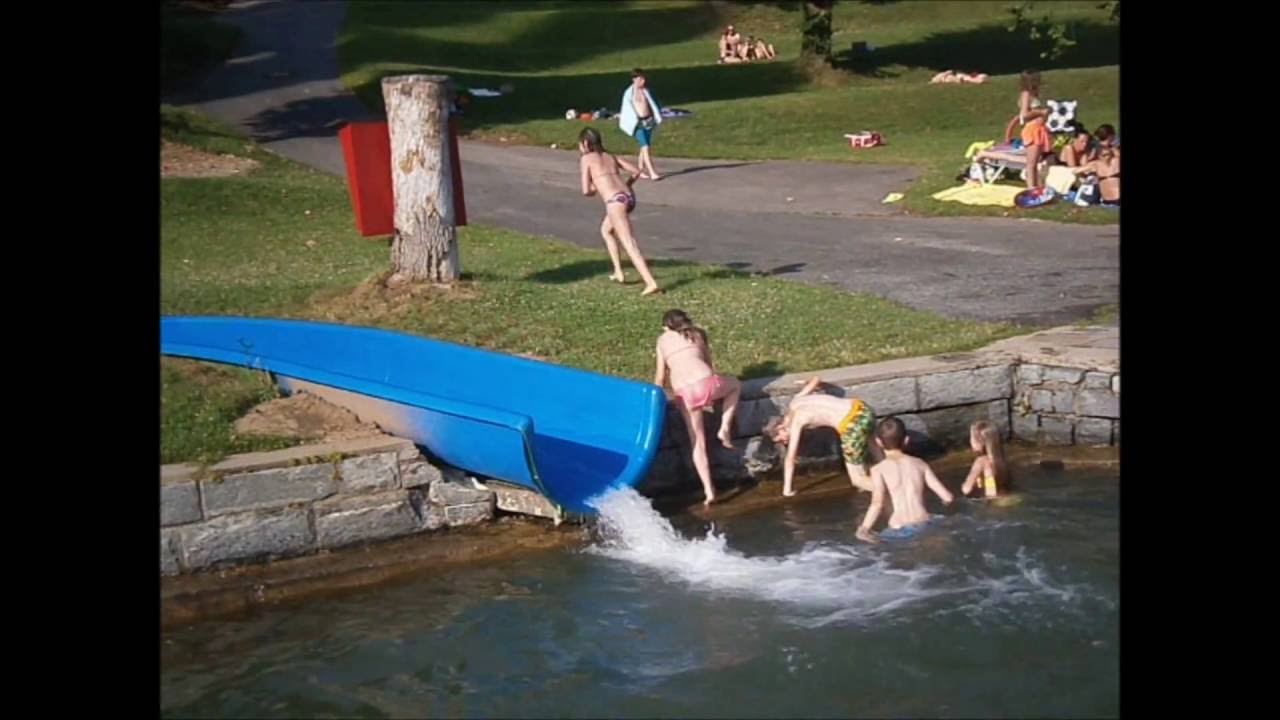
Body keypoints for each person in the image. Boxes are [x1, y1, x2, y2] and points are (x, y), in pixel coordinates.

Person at [654, 309, 742, 506]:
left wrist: (656, 400)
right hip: (706, 383)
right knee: (735, 385)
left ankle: (709, 491)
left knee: (697, 442)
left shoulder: (662, 340)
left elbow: (660, 377)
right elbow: (709, 365)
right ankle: (724, 427)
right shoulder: (698, 334)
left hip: (684, 393)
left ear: (666, 326)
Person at [763, 376, 880, 497]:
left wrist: (787, 490)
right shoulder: (795, 401)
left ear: (780, 427)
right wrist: (806, 381)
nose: (784, 442)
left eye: (781, 439)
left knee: (858, 480)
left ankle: (891, 490)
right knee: (878, 455)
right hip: (862, 408)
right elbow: (816, 379)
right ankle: (890, 476)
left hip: (851, 424)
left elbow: (790, 459)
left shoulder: (797, 421)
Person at [577, 127, 661, 294]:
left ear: (585, 143)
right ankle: (618, 271)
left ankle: (650, 282)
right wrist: (626, 184)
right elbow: (637, 171)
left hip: (614, 201)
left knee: (629, 242)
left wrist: (598, 185)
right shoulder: (610, 156)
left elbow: (586, 190)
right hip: (627, 197)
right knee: (606, 231)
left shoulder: (586, 159)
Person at [855, 417, 954, 543]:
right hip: (924, 522)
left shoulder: (878, 470)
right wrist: (945, 504)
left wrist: (864, 528)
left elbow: (877, 504)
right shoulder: (919, 463)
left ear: (878, 442)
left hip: (899, 529)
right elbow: (947, 497)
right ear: (906, 440)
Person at [619, 68, 663, 181]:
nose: (643, 81)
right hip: (637, 124)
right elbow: (626, 110)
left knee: (644, 146)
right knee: (645, 146)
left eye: (644, 78)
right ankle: (652, 172)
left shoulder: (645, 91)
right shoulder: (629, 94)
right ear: (634, 79)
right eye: (640, 79)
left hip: (648, 121)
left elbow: (653, 105)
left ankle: (640, 170)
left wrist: (656, 117)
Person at [960, 420, 1009, 498]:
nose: (970, 441)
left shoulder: (981, 462)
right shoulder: (1000, 459)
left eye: (971, 438)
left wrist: (964, 485)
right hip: (1005, 496)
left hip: (990, 500)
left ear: (980, 442)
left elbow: (966, 489)